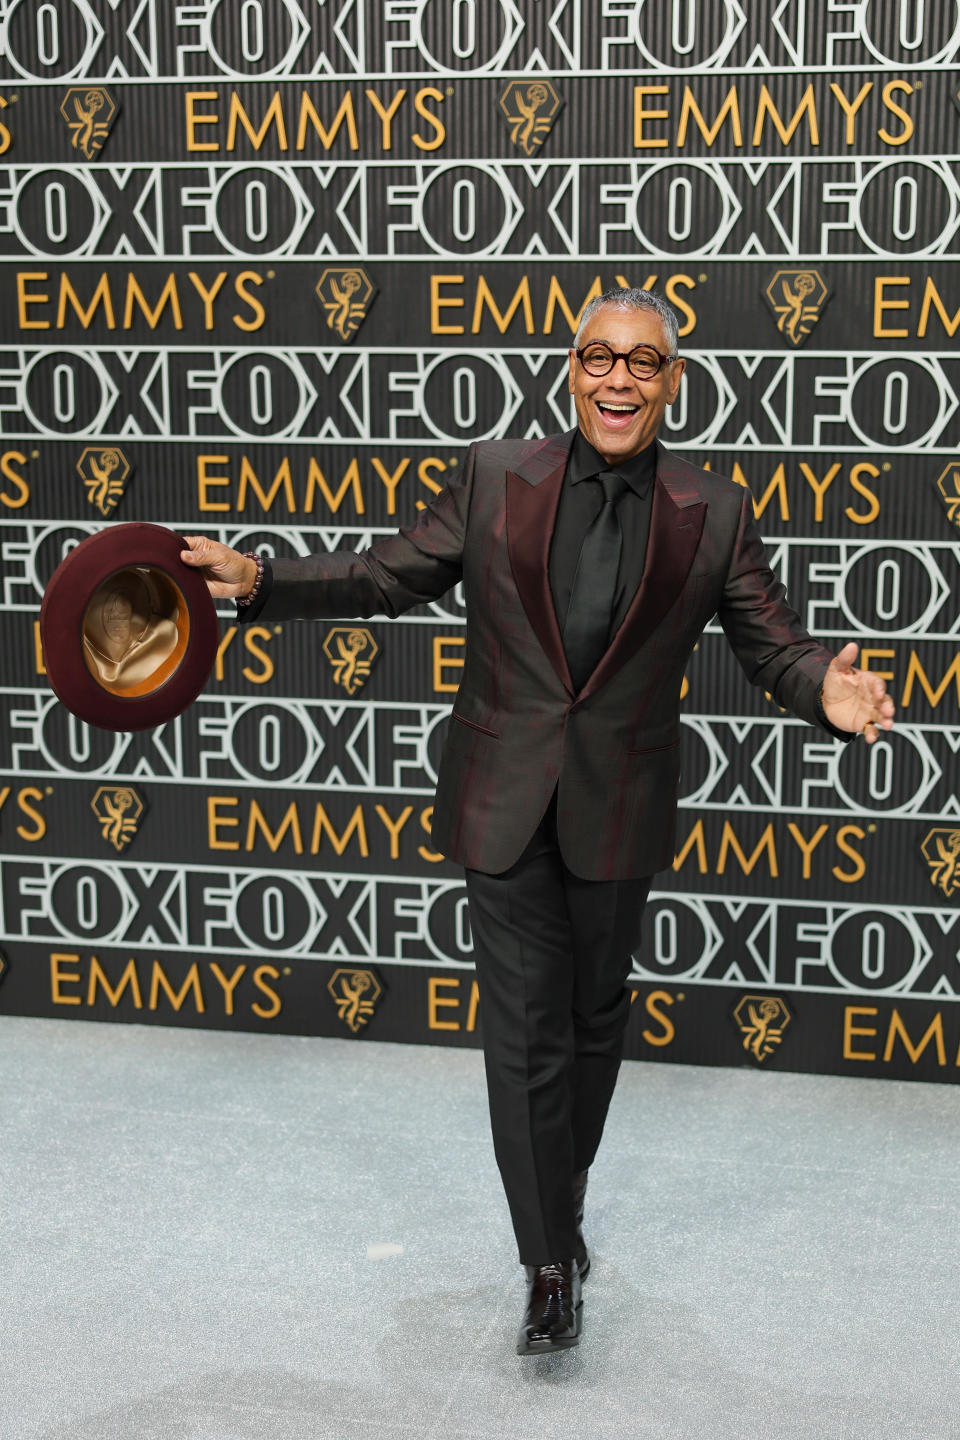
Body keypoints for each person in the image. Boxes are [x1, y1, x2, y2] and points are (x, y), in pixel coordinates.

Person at [180, 287, 895, 1356]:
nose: (618, 379)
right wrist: (264, 582)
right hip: (503, 797)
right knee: (525, 1032)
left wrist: (823, 695)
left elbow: (772, 642)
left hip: (622, 806)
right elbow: (387, 575)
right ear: (571, 368)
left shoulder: (716, 510)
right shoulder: (492, 474)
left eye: (642, 363)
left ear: (672, 381)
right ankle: (549, 1263)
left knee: (595, 1023)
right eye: (599, 357)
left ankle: (558, 1198)